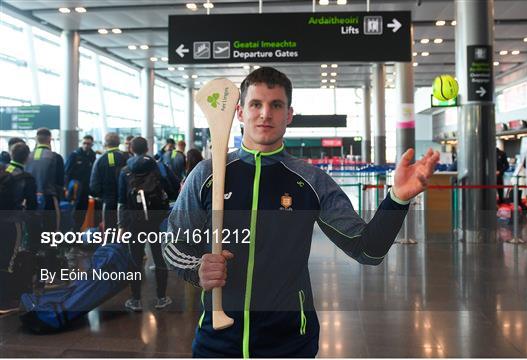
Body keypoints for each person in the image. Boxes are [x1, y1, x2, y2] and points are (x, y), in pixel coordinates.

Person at [163, 67, 440, 357]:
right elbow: (172, 244)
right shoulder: (207, 175)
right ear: (240, 112)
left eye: (276, 105)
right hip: (217, 340)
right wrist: (197, 268)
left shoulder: (312, 181)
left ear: (289, 115)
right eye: (256, 104)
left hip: (290, 341)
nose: (265, 113)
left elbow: (368, 251)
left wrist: (397, 199)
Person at [117, 137, 179, 311]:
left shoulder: (125, 170)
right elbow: (174, 189)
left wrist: (121, 226)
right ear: (148, 148)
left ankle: (135, 300)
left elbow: (121, 200)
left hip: (133, 221)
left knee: (135, 258)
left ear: (131, 149)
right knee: (159, 257)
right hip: (157, 219)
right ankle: (161, 298)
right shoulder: (159, 166)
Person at [0, 143, 38, 313]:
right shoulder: (25, 178)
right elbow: (32, 207)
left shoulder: (3, 171)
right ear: (27, 157)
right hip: (12, 222)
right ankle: (5, 301)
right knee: (9, 259)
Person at [89, 132, 127, 229]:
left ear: (105, 144)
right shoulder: (126, 158)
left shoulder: (100, 160)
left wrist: (102, 196)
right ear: (119, 143)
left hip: (108, 201)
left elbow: (94, 185)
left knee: (109, 229)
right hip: (126, 202)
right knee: (125, 230)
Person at [64, 135, 96, 230]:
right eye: (84, 143)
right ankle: (71, 233)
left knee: (82, 212)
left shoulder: (92, 156)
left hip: (86, 190)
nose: (86, 145)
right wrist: (66, 187)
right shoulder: (74, 155)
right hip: (75, 190)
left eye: (88, 144)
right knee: (73, 212)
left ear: (92, 144)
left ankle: (77, 232)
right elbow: (67, 172)